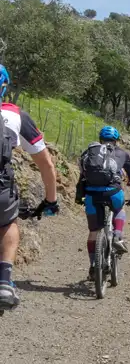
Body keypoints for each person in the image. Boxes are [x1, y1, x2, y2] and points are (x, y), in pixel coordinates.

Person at [0, 64, 60, 309]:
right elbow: (46, 165)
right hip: (1, 190)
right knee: (7, 223)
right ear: (4, 87)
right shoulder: (15, 115)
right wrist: (51, 200)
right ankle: (4, 282)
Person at [76, 126, 130, 279]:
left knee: (93, 232)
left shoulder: (89, 152)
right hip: (113, 193)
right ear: (116, 140)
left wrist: (79, 196)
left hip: (92, 194)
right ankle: (117, 237)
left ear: (100, 139)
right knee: (119, 210)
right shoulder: (122, 154)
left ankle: (93, 265)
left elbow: (82, 176)